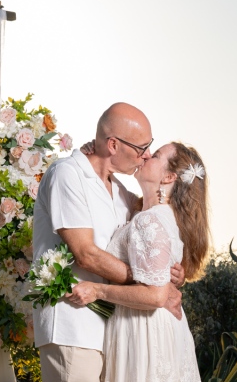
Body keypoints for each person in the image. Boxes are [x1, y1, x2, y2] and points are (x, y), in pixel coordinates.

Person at [32, 102, 184, 382]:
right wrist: (153, 287)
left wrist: (172, 273)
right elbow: (86, 254)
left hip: (112, 332)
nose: (146, 155)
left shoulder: (121, 193)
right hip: (73, 326)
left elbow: (153, 240)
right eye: (141, 148)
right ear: (113, 145)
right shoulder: (68, 174)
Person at [66, 141, 210, 382]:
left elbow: (155, 295)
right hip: (153, 327)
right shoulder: (151, 213)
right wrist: (94, 153)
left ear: (168, 176)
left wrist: (96, 290)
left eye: (155, 156)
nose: (146, 156)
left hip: (143, 328)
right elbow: (102, 184)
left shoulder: (149, 219)